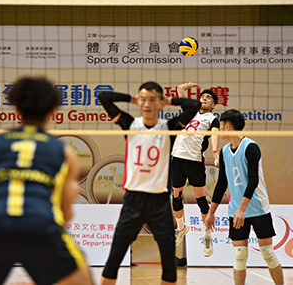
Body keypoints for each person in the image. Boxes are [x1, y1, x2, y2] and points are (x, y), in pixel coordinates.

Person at [0, 77, 93, 285]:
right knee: (85, 279)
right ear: (52, 112)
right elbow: (65, 213)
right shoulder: (64, 152)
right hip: (41, 226)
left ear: (17, 111)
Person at [98, 82, 201, 285]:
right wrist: (132, 99)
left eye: (153, 100)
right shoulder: (130, 124)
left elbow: (194, 105)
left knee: (169, 266)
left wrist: (168, 101)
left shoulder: (169, 128)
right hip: (133, 201)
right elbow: (103, 97)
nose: (147, 104)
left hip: (160, 203)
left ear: (160, 103)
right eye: (143, 99)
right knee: (113, 260)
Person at [205, 109, 284, 285]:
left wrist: (243, 209)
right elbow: (221, 184)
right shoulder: (225, 152)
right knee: (240, 256)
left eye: (221, 125)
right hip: (236, 211)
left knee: (268, 253)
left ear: (228, 126)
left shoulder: (251, 147)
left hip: (257, 208)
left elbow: (253, 180)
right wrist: (211, 213)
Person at [171, 86, 220, 257]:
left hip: (194, 161)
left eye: (209, 98)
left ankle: (207, 235)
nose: (205, 98)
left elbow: (214, 134)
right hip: (177, 158)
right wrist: (188, 85)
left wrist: (215, 150)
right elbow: (180, 89)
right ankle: (181, 227)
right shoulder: (190, 110)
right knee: (176, 196)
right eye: (203, 96)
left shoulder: (212, 118)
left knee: (201, 200)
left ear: (213, 105)